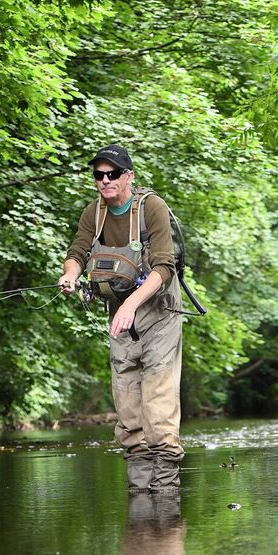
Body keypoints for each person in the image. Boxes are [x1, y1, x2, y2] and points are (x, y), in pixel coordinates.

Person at [59, 145, 184, 494]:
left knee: (157, 408)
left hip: (159, 314)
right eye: (98, 175)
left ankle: (166, 497)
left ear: (128, 176)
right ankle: (140, 500)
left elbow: (164, 267)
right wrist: (70, 274)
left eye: (112, 174)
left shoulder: (152, 208)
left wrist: (132, 304)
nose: (105, 181)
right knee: (128, 409)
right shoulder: (93, 213)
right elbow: (77, 252)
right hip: (120, 317)